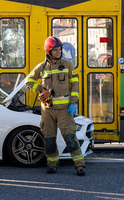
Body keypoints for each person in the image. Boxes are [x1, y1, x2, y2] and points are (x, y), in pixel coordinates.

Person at [26, 36, 86, 176]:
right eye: (55, 50)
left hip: (65, 109)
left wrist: (73, 103)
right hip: (48, 110)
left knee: (70, 138)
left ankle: (80, 165)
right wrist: (41, 89)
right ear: (48, 51)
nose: (58, 52)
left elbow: (75, 85)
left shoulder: (68, 65)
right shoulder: (41, 67)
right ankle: (52, 164)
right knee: (49, 139)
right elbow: (28, 81)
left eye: (59, 49)